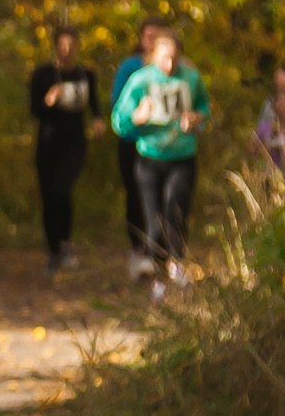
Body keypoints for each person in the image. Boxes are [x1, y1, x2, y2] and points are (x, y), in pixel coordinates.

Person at [111, 30, 209, 300]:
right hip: (150, 158)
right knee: (154, 219)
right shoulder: (141, 80)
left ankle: (177, 264)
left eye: (175, 59)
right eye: (165, 59)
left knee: (175, 211)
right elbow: (119, 119)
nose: (169, 65)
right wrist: (137, 117)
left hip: (183, 157)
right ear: (155, 56)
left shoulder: (191, 77)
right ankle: (157, 276)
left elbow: (205, 107)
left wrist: (197, 118)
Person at [27, 29, 98, 273]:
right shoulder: (43, 74)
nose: (67, 49)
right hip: (48, 143)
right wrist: (49, 101)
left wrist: (98, 120)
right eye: (62, 44)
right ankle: (53, 249)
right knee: (49, 195)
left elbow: (94, 106)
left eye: (71, 44)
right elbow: (35, 110)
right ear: (55, 46)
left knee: (62, 190)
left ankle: (65, 243)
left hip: (74, 142)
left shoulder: (85, 74)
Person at [112, 17, 168, 275]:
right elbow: (118, 105)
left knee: (164, 196)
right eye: (148, 36)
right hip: (133, 142)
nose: (152, 41)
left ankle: (162, 250)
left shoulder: (174, 69)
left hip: (163, 144)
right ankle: (138, 247)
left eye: (158, 36)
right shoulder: (130, 67)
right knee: (136, 195)